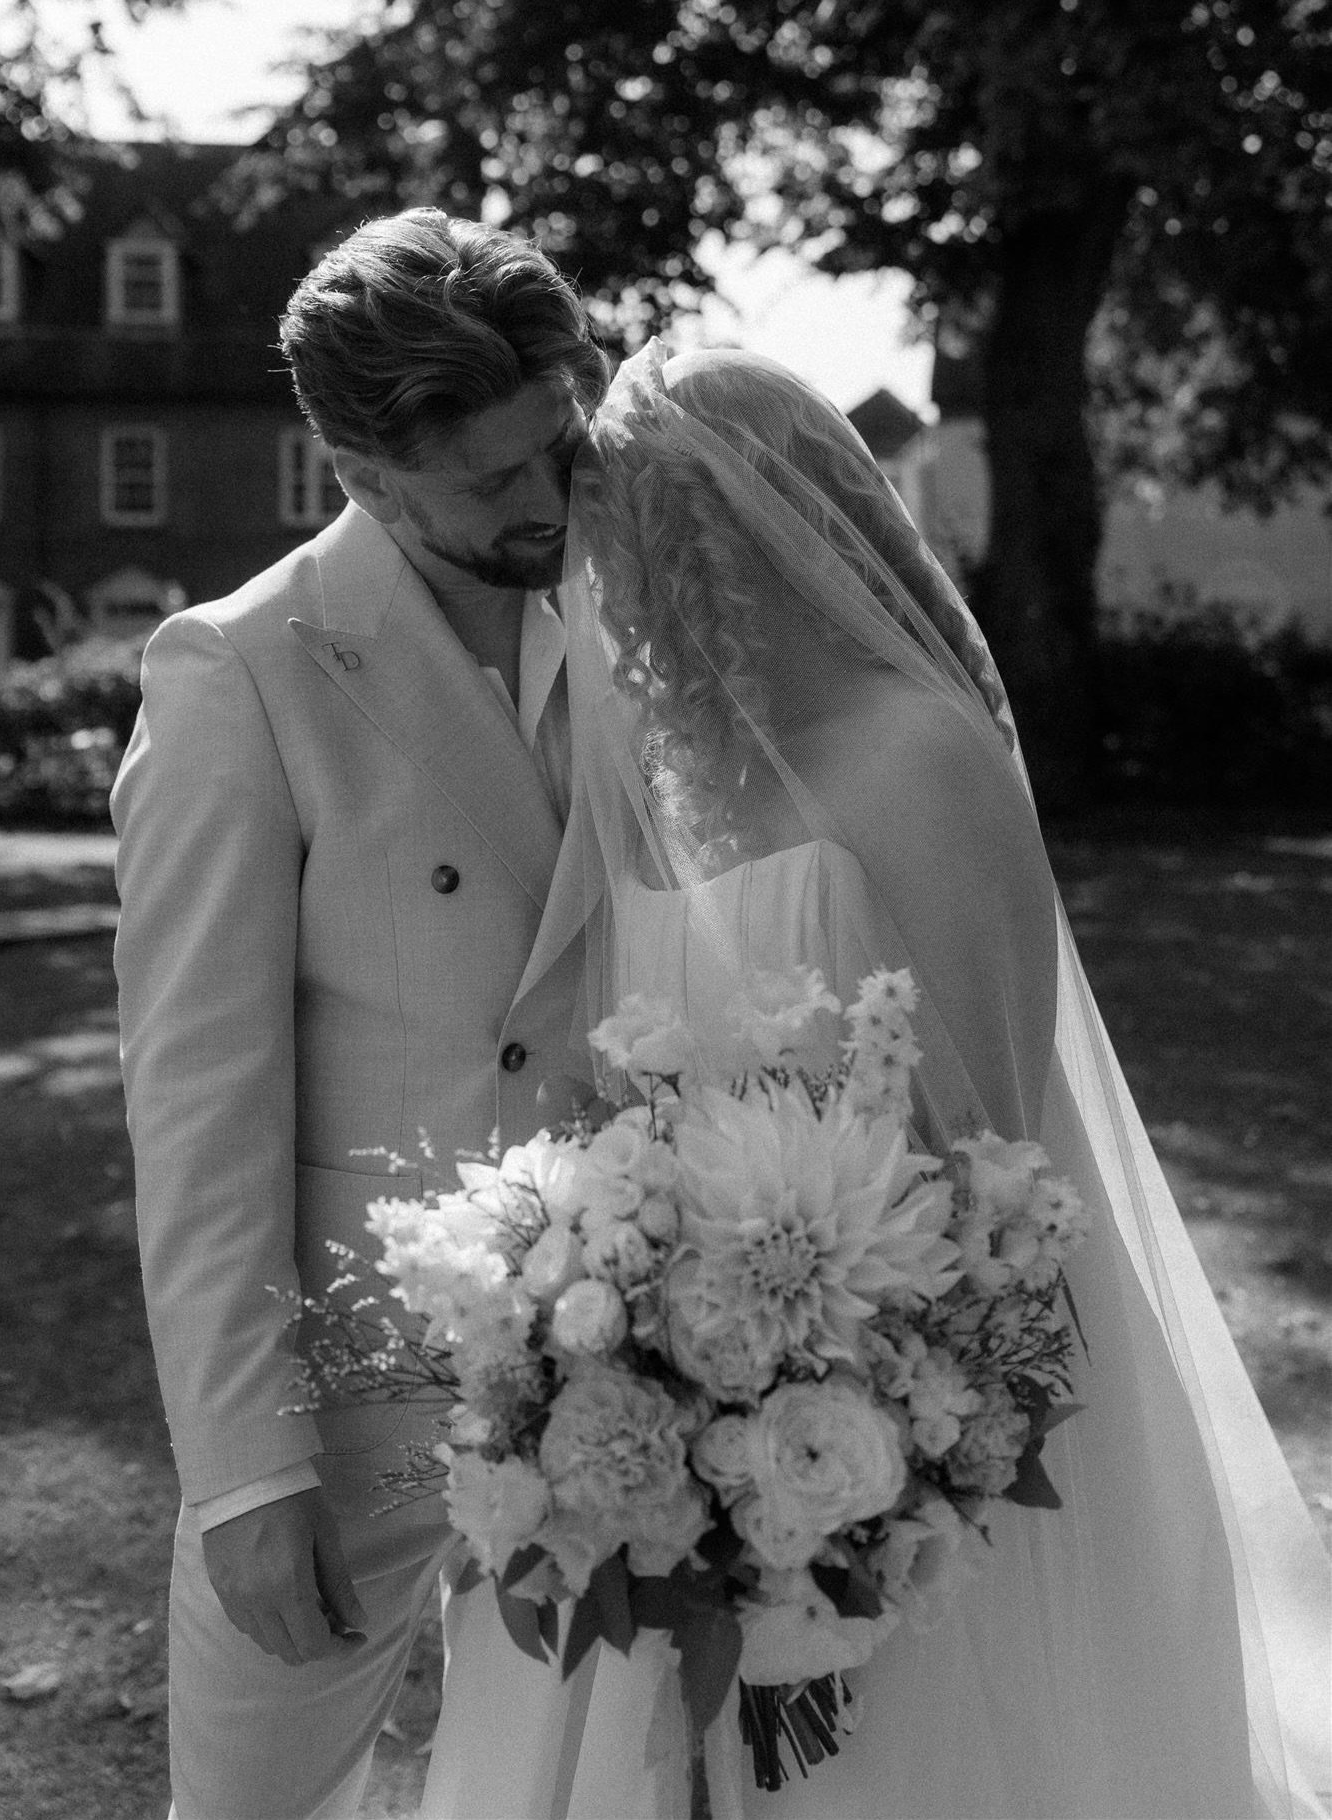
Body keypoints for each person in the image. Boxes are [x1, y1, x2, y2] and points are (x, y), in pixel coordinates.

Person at [417, 342, 1331, 1818]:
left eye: (645, 539)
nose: (622, 588)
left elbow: (996, 1130)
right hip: (682, 1372)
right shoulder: (667, 794)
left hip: (934, 1367)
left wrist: (853, 1430)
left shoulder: (920, 756)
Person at [110, 207, 609, 1820]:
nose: (545, 501)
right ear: (362, 469)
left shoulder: (619, 623)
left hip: (619, 1383)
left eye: (562, 442)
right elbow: (198, 1100)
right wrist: (247, 1470)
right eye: (492, 482)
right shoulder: (237, 674)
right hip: (344, 1395)